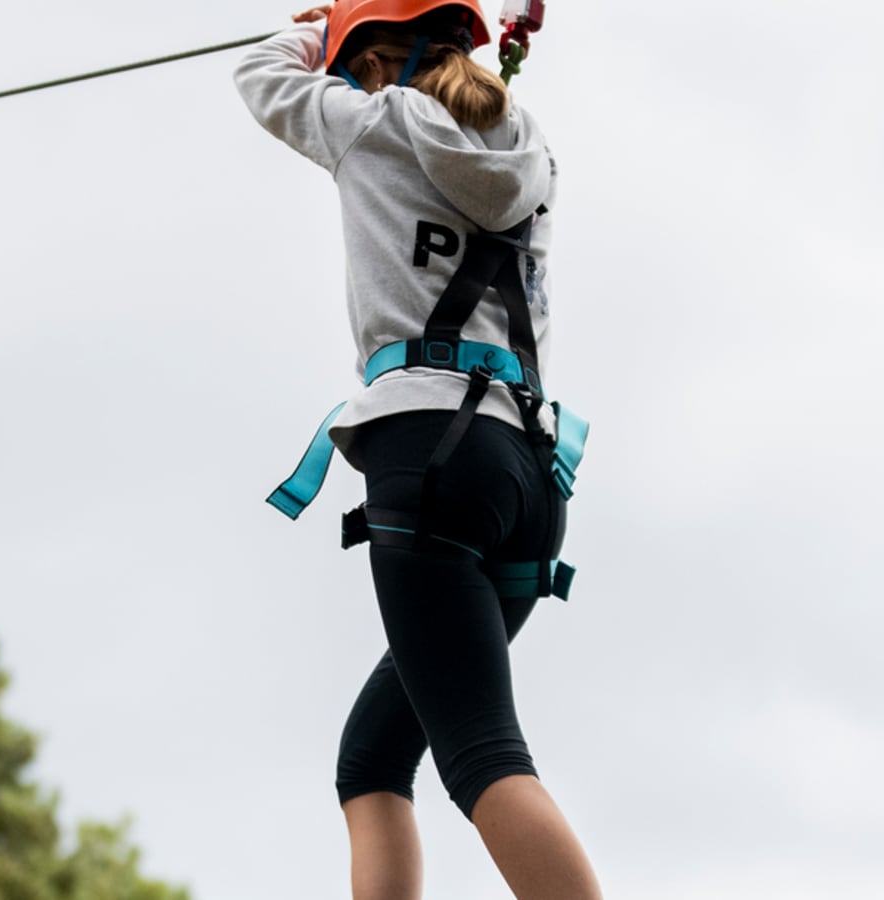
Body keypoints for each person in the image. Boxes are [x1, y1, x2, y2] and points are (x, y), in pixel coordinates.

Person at [234, 2, 602, 898]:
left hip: (432, 454)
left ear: (361, 61)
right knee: (373, 760)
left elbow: (261, 77)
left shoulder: (367, 123)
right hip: (528, 474)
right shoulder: (531, 147)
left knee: (481, 754)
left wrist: (312, 26)